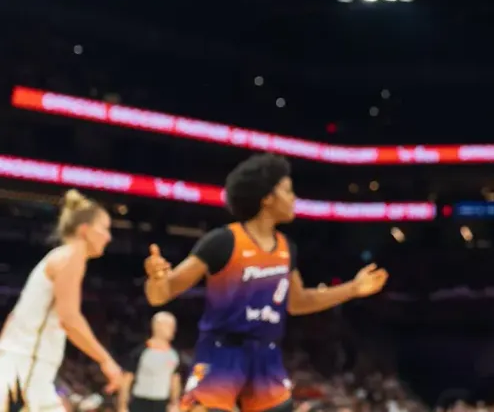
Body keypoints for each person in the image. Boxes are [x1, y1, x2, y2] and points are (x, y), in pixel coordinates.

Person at [141, 153, 389, 412]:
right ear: (267, 198)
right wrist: (156, 279)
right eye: (288, 191)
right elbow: (161, 294)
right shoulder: (223, 241)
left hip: (266, 356)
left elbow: (298, 302)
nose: (294, 198)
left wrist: (353, 289)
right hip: (222, 353)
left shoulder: (286, 248)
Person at [0, 190, 122, 411]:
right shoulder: (72, 256)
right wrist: (106, 360)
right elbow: (70, 318)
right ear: (85, 230)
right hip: (27, 365)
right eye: (104, 228)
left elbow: (12, 317)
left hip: (22, 363)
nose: (108, 236)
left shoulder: (59, 256)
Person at [119, 311, 183, 412]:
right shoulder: (140, 352)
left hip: (161, 403)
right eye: (170, 326)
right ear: (158, 326)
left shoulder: (174, 355)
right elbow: (126, 380)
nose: (173, 330)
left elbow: (175, 381)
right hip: (140, 402)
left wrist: (174, 403)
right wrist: (122, 406)